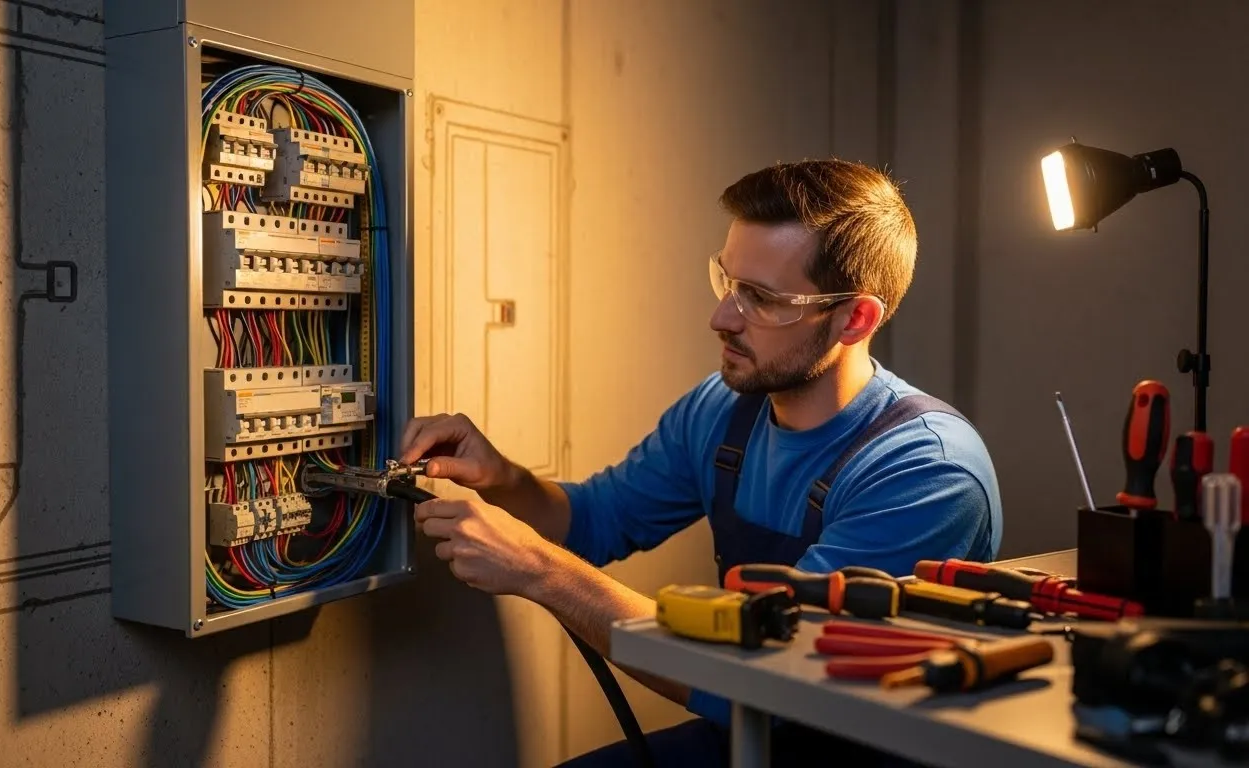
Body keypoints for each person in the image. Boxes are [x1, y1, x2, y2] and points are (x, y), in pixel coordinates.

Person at [398, 159, 1003, 766]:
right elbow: (590, 522)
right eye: (727, 281)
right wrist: (502, 477)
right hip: (747, 737)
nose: (722, 318)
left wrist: (540, 571)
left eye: (762, 298)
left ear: (855, 319)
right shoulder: (724, 411)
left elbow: (760, 680)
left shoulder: (926, 473)